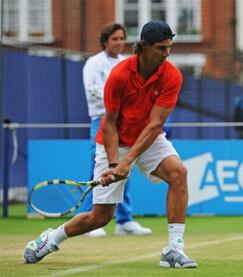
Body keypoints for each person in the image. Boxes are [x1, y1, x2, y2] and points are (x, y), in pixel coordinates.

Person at [23, 20, 197, 268]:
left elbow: (155, 125)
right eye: (161, 48)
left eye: (169, 47)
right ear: (144, 47)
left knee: (179, 173)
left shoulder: (171, 75)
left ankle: (173, 249)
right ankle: (51, 237)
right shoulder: (119, 75)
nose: (167, 53)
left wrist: (126, 162)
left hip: (149, 138)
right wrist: (115, 162)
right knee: (100, 218)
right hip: (113, 139)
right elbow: (109, 123)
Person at [82, 23, 151, 237]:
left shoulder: (127, 63)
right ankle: (91, 219)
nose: (119, 43)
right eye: (115, 39)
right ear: (105, 42)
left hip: (126, 122)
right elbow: (92, 91)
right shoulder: (93, 63)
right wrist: (116, 100)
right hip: (101, 120)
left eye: (122, 38)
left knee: (124, 170)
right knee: (98, 171)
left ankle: (124, 220)